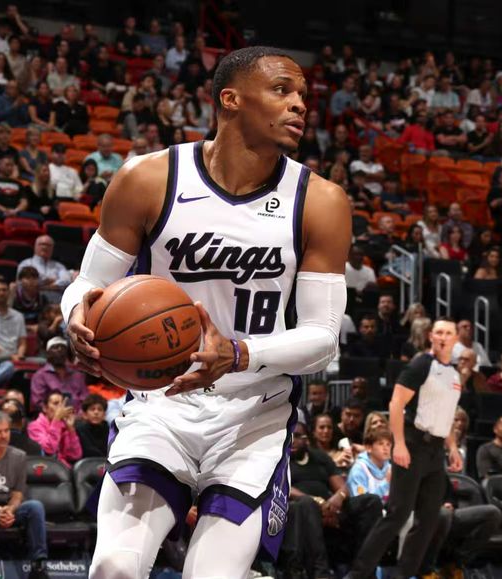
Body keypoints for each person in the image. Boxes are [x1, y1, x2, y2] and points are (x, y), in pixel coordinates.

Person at [63, 46, 350, 577]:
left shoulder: (320, 201)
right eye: (282, 90)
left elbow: (322, 338)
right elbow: (88, 284)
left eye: (302, 95)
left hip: (255, 415)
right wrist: (76, 314)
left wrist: (237, 354)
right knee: (114, 568)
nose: (299, 105)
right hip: (160, 403)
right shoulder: (148, 178)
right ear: (230, 99)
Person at [344, 317, 464, 579]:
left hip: (436, 451)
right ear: (431, 336)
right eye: (439, 332)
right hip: (413, 443)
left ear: (456, 339)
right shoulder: (422, 364)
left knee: (428, 519)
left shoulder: (454, 375)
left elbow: (447, 415)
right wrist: (399, 443)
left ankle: (404, 574)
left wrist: (453, 448)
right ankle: (358, 574)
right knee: (398, 514)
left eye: (448, 333)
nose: (443, 337)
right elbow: (396, 404)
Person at [290, 418, 383, 571]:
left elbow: (343, 486)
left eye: (298, 436)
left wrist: (337, 499)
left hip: (330, 508)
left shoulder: (320, 457)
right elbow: (284, 488)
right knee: (307, 505)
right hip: (301, 509)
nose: (292, 440)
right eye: (289, 435)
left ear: (307, 439)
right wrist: (317, 502)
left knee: (371, 501)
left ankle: (363, 571)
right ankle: (321, 573)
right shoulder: (280, 461)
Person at [0, 410, 49, 578]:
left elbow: (18, 493)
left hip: (9, 511)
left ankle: (38, 564)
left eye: (6, 430)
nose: (4, 435)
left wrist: (9, 510)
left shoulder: (19, 456)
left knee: (35, 506)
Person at [30, 336, 87, 412]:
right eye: (55, 347)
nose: (59, 350)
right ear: (48, 353)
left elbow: (85, 400)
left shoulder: (78, 376)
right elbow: (37, 402)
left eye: (62, 347)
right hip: (50, 416)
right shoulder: (40, 376)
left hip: (77, 416)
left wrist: (78, 415)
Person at [27, 391, 82, 468]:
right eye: (56, 403)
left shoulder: (64, 426)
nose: (60, 408)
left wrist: (71, 429)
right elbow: (49, 450)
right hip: (46, 468)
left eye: (62, 404)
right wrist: (57, 419)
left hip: (63, 469)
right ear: (45, 408)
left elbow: (75, 455)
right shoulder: (34, 426)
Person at [347, 427, 392, 504]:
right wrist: (386, 482)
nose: (386, 448)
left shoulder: (391, 468)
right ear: (368, 448)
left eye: (388, 444)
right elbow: (363, 504)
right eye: (381, 444)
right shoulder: (358, 470)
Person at [14, 266, 48, 331]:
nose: (31, 281)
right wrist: (29, 327)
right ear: (20, 281)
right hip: (17, 330)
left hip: (38, 330)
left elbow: (46, 318)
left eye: (34, 278)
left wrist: (40, 326)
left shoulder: (42, 298)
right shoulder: (15, 297)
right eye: (27, 278)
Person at [75, 394, 109, 458]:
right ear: (85, 414)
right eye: (92, 409)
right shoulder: (79, 429)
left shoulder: (109, 430)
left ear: (104, 414)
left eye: (100, 409)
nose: (96, 412)